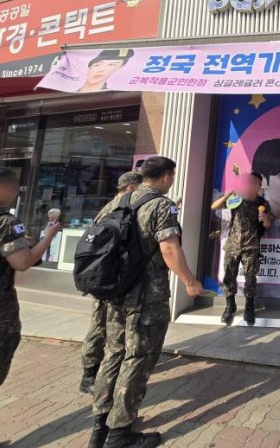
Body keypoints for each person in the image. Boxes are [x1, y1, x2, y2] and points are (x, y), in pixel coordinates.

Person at [89, 157, 203, 448]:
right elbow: (169, 248)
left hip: (116, 293)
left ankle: (99, 427)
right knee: (137, 359)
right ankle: (119, 433)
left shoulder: (118, 202)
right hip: (147, 298)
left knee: (113, 354)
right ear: (166, 177)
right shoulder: (162, 205)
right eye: (172, 176)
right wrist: (189, 281)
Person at [0, 167, 61, 448]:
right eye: (13, 185)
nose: (16, 191)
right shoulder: (4, 222)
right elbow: (22, 262)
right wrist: (48, 236)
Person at [79, 171, 143, 396]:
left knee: (103, 324)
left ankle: (96, 371)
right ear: (131, 187)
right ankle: (89, 374)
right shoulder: (117, 209)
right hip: (107, 277)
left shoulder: (114, 207)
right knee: (100, 325)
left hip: (108, 276)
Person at [211, 172, 272, 326]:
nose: (251, 185)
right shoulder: (237, 199)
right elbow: (214, 206)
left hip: (251, 246)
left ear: (259, 186)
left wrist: (265, 219)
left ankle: (249, 307)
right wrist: (228, 194)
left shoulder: (263, 203)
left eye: (255, 183)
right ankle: (230, 305)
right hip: (233, 245)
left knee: (250, 278)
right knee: (229, 276)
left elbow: (267, 225)